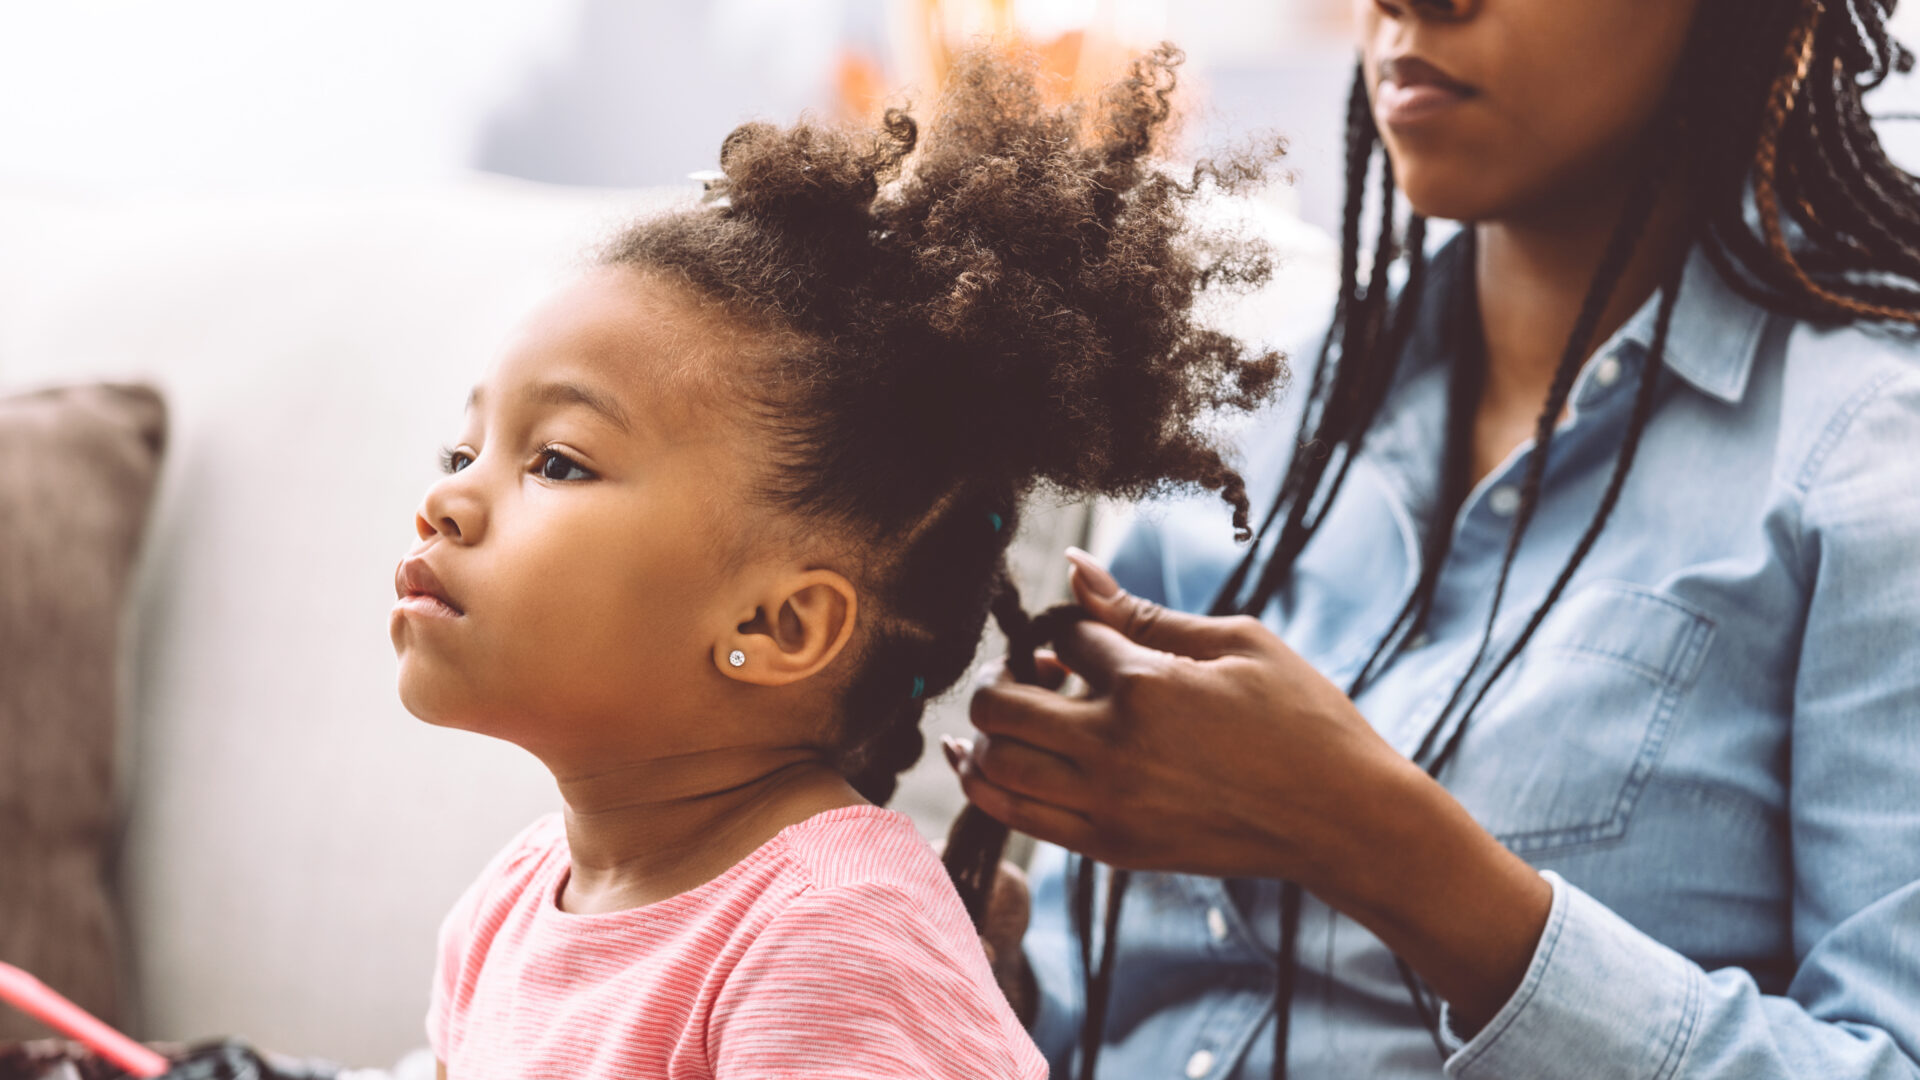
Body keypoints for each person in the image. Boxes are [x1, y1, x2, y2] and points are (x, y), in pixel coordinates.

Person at [951, 0, 1920, 1077]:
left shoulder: (1874, 462)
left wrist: (1383, 849)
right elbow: (1115, 995)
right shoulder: (1271, 425)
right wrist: (975, 975)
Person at [391, 46, 1286, 1080]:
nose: (445, 500)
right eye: (463, 453)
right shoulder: (510, 900)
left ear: (779, 628)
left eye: (556, 461)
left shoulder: (831, 943)